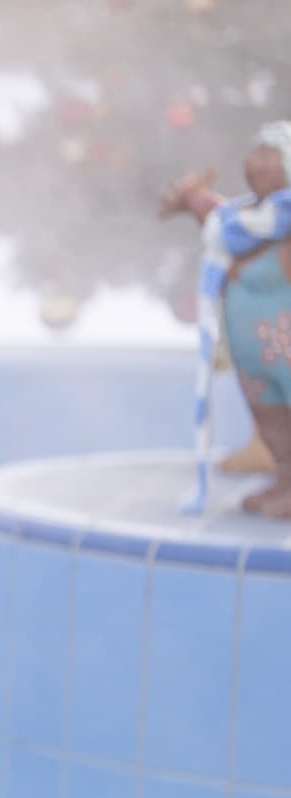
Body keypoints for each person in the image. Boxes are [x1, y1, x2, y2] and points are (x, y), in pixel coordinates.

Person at [162, 120, 291, 515]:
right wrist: (192, 199)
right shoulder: (239, 222)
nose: (256, 161)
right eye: (255, 152)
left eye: (269, 154)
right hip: (255, 361)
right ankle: (285, 482)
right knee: (273, 427)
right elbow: (219, 218)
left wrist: (239, 265)